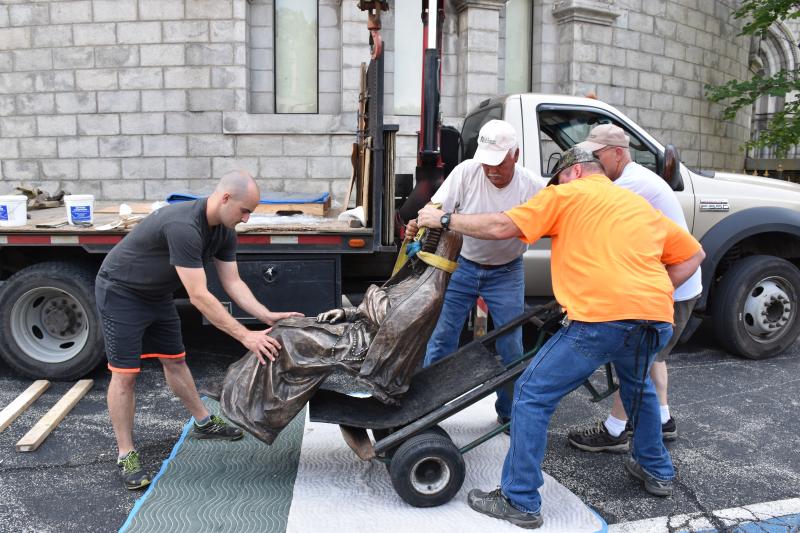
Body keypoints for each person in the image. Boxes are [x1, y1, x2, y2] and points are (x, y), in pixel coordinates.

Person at [417, 147, 705, 529]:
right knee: (638, 388)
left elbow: (503, 227)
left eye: (558, 180)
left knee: (531, 394)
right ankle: (657, 471)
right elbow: (693, 255)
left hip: (599, 321)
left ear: (573, 173)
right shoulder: (636, 205)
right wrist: (647, 296)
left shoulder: (565, 194)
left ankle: (519, 499)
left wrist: (445, 218)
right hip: (652, 321)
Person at [96, 170, 302, 490]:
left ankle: (204, 423)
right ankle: (126, 453)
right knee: (125, 374)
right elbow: (199, 296)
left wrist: (266, 315)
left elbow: (232, 282)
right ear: (225, 198)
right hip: (120, 292)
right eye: (244, 210)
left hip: (156, 295)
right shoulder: (183, 227)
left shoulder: (224, 231)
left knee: (175, 360)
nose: (247, 219)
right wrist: (245, 336)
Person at [218, 229, 462, 444]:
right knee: (285, 326)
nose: (420, 241)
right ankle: (240, 391)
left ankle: (256, 412)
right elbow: (382, 309)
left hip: (363, 349)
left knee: (284, 339)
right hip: (357, 333)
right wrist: (347, 312)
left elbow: (393, 324)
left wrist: (371, 299)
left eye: (429, 237)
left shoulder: (429, 291)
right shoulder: (417, 276)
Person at [566, 124, 703, 452]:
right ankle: (664, 419)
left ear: (617, 153)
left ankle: (615, 432)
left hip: (675, 284)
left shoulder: (630, 185)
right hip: (681, 284)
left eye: (596, 156)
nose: (592, 163)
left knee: (635, 360)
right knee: (654, 356)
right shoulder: (631, 178)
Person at [407, 119, 541, 427]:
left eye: (499, 164)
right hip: (463, 266)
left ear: (516, 156)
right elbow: (435, 207)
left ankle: (509, 412)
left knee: (510, 345)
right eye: (487, 164)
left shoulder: (531, 186)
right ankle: (429, 411)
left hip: (507, 271)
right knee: (441, 339)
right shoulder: (467, 171)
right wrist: (421, 220)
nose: (492, 171)